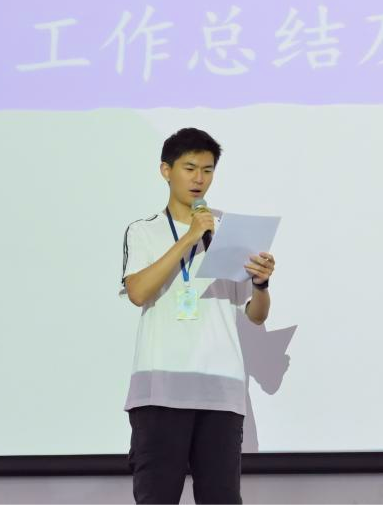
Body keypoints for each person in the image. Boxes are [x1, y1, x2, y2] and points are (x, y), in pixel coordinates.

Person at [119, 128, 276, 505]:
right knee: (157, 497)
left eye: (207, 170)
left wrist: (261, 284)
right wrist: (189, 237)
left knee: (221, 498)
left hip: (220, 392)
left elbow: (255, 315)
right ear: (166, 170)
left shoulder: (230, 232)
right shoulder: (144, 231)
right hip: (160, 391)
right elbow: (138, 292)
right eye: (189, 168)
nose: (199, 179)